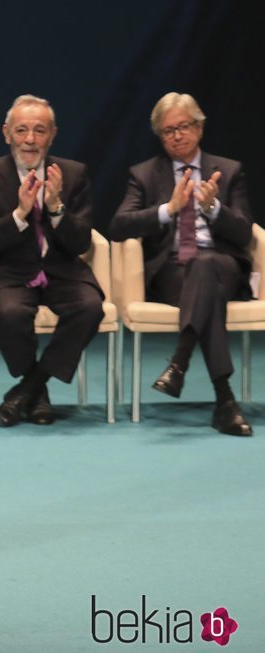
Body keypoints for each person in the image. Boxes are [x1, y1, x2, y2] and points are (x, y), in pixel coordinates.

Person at [110, 92, 254, 436]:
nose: (177, 136)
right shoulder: (144, 174)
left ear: (199, 128)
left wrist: (213, 208)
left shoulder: (228, 171)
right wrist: (168, 210)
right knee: (204, 282)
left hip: (224, 265)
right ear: (160, 137)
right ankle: (224, 401)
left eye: (183, 127)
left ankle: (179, 363)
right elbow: (118, 226)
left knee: (206, 266)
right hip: (171, 272)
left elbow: (244, 230)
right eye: (167, 131)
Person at [0, 94, 104, 427]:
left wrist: (56, 208)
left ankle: (29, 388)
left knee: (90, 307)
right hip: (7, 274)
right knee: (11, 313)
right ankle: (37, 393)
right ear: (6, 133)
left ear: (52, 134)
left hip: (62, 271)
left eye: (39, 130)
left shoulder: (73, 173)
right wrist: (19, 214)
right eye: (22, 130)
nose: (30, 139)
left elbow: (82, 241)